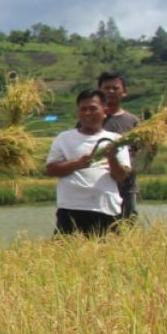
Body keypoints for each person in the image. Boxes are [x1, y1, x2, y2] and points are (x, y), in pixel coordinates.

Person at [45, 89, 131, 237]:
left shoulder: (116, 140)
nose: (87, 113)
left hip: (105, 208)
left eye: (93, 108)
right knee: (65, 255)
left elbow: (121, 176)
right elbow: (51, 169)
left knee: (106, 255)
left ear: (105, 111)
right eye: (83, 109)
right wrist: (77, 164)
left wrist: (112, 157)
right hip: (71, 208)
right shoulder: (64, 138)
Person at [98, 71, 140, 219]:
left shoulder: (133, 122)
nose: (110, 91)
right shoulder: (91, 120)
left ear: (124, 92)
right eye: (106, 88)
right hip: (99, 185)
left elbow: (141, 154)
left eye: (115, 88)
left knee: (128, 227)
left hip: (127, 186)